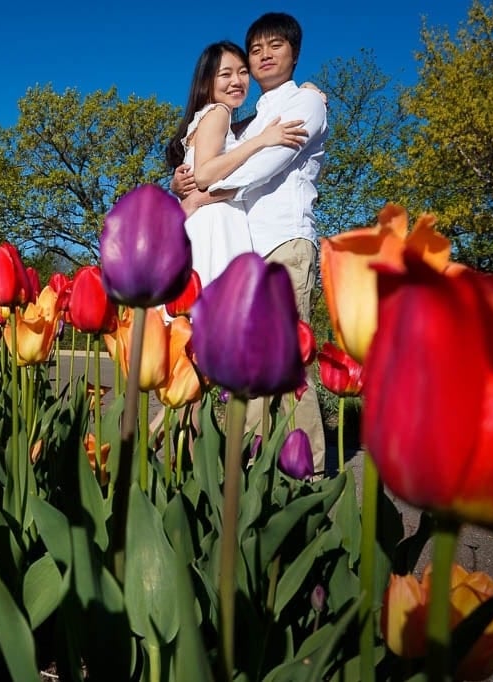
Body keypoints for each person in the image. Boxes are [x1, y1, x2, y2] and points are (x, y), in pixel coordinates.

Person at [172, 12, 328, 474]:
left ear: (294, 54)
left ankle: (310, 470)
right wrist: (191, 181)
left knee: (288, 361)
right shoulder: (250, 120)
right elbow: (208, 162)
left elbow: (263, 167)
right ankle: (256, 469)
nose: (261, 56)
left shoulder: (306, 103)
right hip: (247, 253)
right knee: (256, 368)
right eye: (254, 49)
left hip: (284, 244)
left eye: (274, 46)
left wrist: (205, 186)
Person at [165, 41, 307, 287]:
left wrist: (304, 91)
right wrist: (261, 141)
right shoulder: (219, 112)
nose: (237, 81)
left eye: (243, 72)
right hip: (217, 221)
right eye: (225, 74)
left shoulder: (213, 117)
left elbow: (254, 123)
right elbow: (204, 175)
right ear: (207, 80)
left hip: (201, 220)